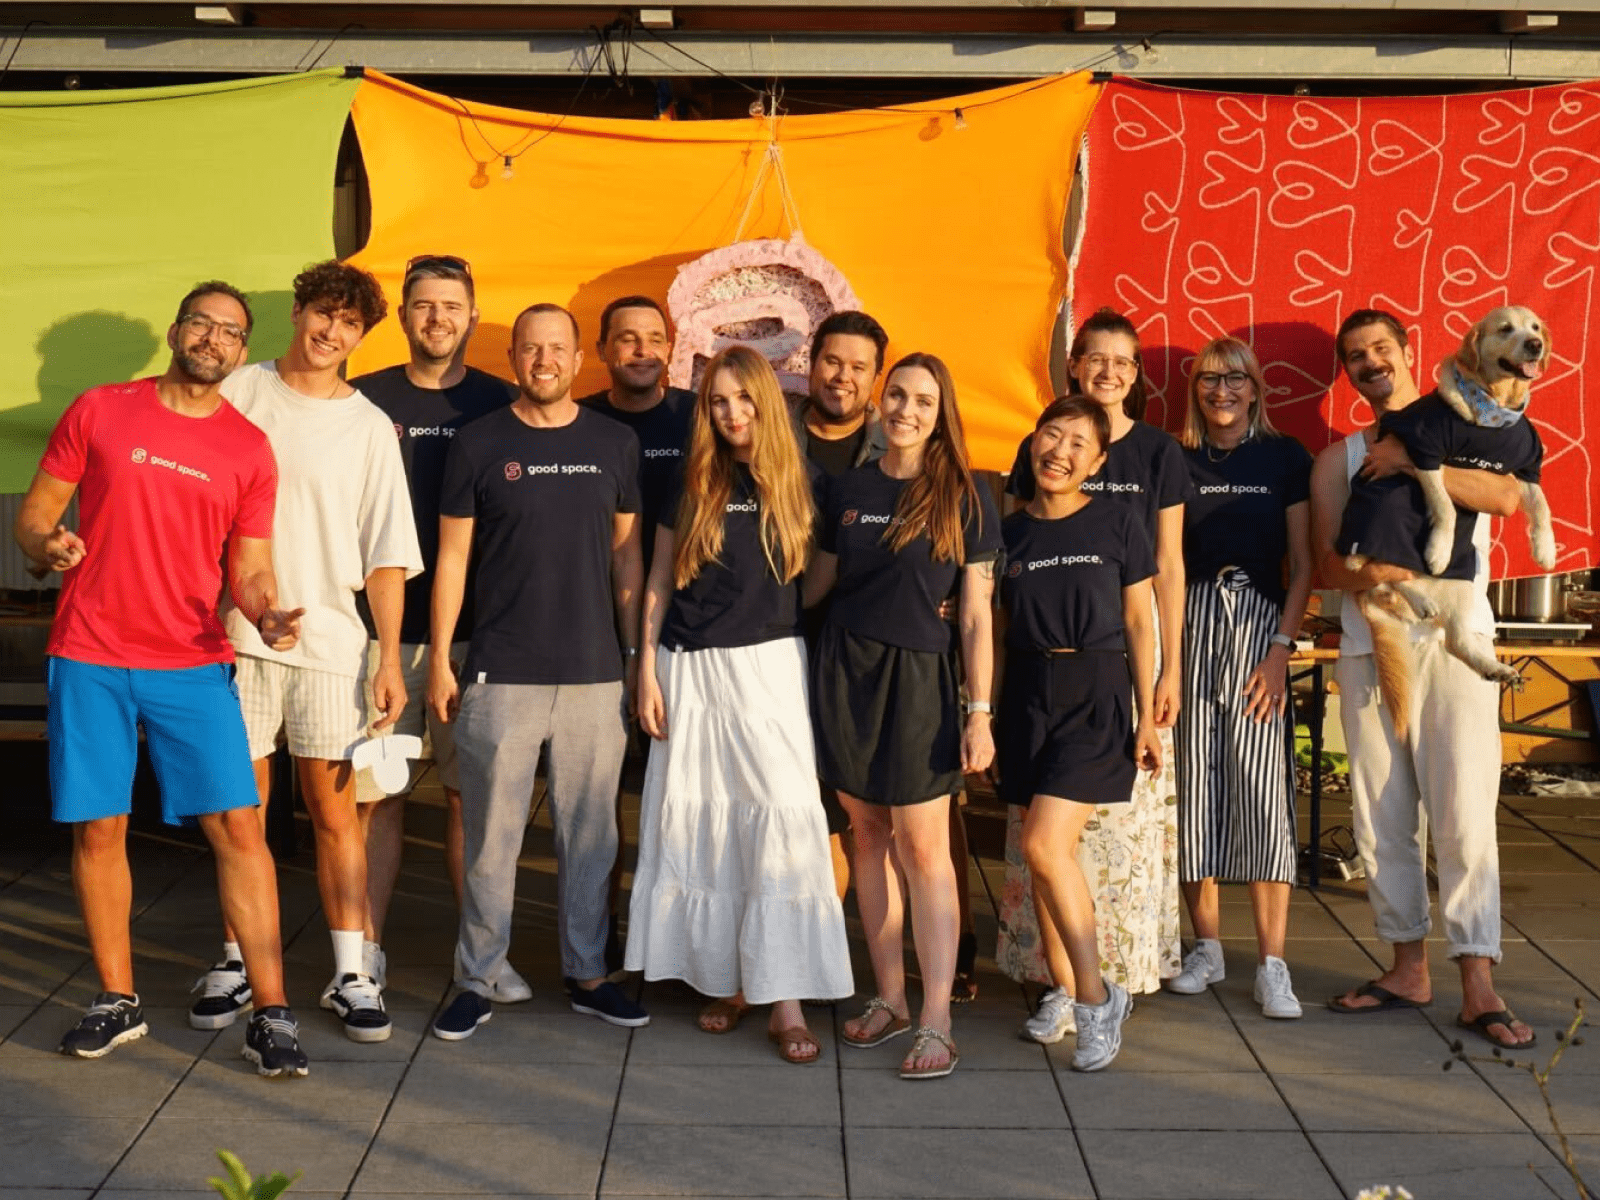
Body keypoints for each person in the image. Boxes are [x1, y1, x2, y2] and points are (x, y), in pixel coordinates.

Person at [18, 282, 309, 1076]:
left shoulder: (248, 448)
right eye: (203, 324)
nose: (214, 339)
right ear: (177, 331)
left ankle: (272, 1010)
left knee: (240, 831)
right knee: (99, 827)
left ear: (242, 351)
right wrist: (49, 546)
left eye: (231, 332)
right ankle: (117, 1000)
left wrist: (268, 612)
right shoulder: (101, 409)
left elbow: (249, 569)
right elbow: (37, 517)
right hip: (90, 653)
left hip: (191, 659)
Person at [192, 259, 423, 1044]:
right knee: (240, 813)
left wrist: (389, 658)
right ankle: (234, 959)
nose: (331, 333)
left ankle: (353, 972)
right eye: (323, 314)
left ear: (362, 336)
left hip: (331, 647)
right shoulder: (240, 391)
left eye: (350, 324)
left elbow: (387, 555)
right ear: (297, 312)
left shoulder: (367, 426)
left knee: (337, 818)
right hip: (234, 640)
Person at [626, 345, 853, 1063]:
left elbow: (816, 582)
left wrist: (765, 616)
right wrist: (646, 670)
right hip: (688, 668)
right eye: (717, 402)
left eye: (743, 399)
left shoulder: (804, 480)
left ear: (767, 400)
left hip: (768, 669)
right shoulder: (688, 477)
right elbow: (659, 577)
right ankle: (730, 981)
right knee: (708, 824)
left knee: (783, 822)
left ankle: (785, 997)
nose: (730, 414)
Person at [1313, 309, 1533, 1048]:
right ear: (1347, 373)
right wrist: (1384, 576)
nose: (1371, 362)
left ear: (1408, 353)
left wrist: (1410, 461)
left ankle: (1479, 982)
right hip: (1373, 642)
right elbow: (1328, 566)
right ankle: (1408, 966)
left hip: (1457, 641)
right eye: (1356, 356)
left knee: (1466, 813)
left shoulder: (1472, 425)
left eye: (1382, 348)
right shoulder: (1340, 457)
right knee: (1382, 818)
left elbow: (1508, 498)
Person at [429, 303, 648, 1040]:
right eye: (530, 349)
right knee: (493, 838)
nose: (543, 360)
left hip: (593, 675)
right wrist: (441, 658)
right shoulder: (478, 443)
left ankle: (588, 974)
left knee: (591, 837)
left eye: (557, 348)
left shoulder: (615, 443)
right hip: (501, 671)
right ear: (515, 356)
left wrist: (632, 659)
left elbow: (627, 556)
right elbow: (453, 558)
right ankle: (477, 974)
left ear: (580, 357)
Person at [805, 352, 999, 1079]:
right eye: (897, 395)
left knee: (925, 852)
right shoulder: (847, 488)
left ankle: (938, 1019)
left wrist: (979, 713)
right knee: (867, 834)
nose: (906, 409)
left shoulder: (969, 494)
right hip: (844, 674)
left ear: (940, 411)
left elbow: (976, 616)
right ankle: (887, 998)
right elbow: (817, 584)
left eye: (922, 399)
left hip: (920, 682)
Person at [998, 308, 1188, 1043]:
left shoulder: (1118, 522)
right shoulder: (1011, 531)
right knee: (1044, 854)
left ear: (1097, 461)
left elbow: (1141, 618)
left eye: (1079, 443)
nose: (1062, 450)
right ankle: (1061, 987)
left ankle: (1096, 994)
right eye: (1052, 436)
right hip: (1026, 694)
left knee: (1050, 846)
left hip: (1097, 693)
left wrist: (1150, 706)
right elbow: (998, 618)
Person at [348, 253, 517, 997]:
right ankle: (365, 954)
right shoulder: (360, 400)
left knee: (467, 797)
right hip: (373, 634)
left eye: (451, 305)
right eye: (422, 305)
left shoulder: (502, 404)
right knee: (374, 795)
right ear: (405, 315)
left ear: (472, 315)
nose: (437, 318)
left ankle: (477, 958)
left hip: (478, 634)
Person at [1169, 337, 1313, 1018]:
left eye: (1234, 379)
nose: (1220, 390)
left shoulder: (1285, 459)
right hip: (1191, 625)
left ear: (1256, 388)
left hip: (1259, 626)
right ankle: (1206, 947)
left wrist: (1281, 650)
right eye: (1207, 379)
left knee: (1261, 791)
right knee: (1194, 783)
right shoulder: (1177, 458)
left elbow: (1306, 565)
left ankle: (1273, 963)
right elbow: (1167, 563)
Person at [576, 294, 696, 972]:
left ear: (671, 349)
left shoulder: (696, 418)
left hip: (688, 631)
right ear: (603, 351)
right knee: (602, 798)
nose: (641, 349)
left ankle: (672, 929)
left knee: (677, 792)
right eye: (626, 339)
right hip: (598, 627)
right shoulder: (583, 421)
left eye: (654, 337)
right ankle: (608, 929)